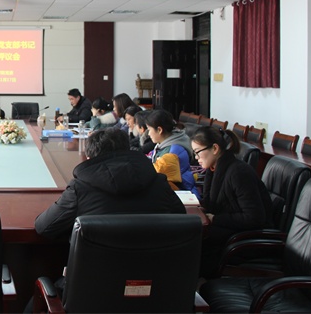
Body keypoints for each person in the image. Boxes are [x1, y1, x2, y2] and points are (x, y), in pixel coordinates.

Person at [34, 128, 186, 240]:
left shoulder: (79, 189)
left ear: (89, 158)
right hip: (155, 271)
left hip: (95, 274)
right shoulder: (158, 182)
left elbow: (44, 227)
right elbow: (181, 218)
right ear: (127, 150)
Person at [191, 126, 273, 278]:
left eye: (197, 152)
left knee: (193, 243)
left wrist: (215, 218)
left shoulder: (238, 172)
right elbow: (211, 202)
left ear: (215, 148)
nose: (196, 157)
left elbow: (254, 218)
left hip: (246, 239)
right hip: (231, 231)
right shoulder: (214, 169)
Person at [146, 109, 200, 198]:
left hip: (183, 195)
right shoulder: (165, 143)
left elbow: (160, 176)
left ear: (159, 130)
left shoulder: (173, 151)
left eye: (149, 129)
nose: (148, 134)